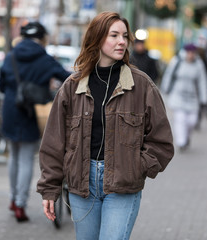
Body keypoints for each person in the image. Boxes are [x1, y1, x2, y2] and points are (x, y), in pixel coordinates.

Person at [37, 11, 174, 239]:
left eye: (124, 36)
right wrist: (49, 189)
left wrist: (136, 167)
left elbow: (162, 142)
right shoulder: (72, 87)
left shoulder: (141, 86)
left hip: (122, 186)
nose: (122, 41)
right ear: (97, 38)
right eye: (114, 35)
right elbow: (53, 142)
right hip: (82, 185)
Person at [0, 21, 71, 222]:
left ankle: (14, 199)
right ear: (42, 38)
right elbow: (67, 78)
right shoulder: (45, 59)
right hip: (33, 110)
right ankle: (21, 204)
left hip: (11, 109)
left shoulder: (11, 56)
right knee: (26, 158)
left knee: (13, 155)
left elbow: (2, 85)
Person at [161, 43, 207, 151]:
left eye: (193, 53)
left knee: (192, 121)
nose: (191, 55)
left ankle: (186, 137)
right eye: (189, 52)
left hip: (192, 97)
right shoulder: (177, 61)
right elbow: (169, 74)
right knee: (180, 119)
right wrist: (165, 88)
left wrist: (204, 98)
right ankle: (181, 142)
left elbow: (202, 81)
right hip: (178, 95)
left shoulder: (198, 64)